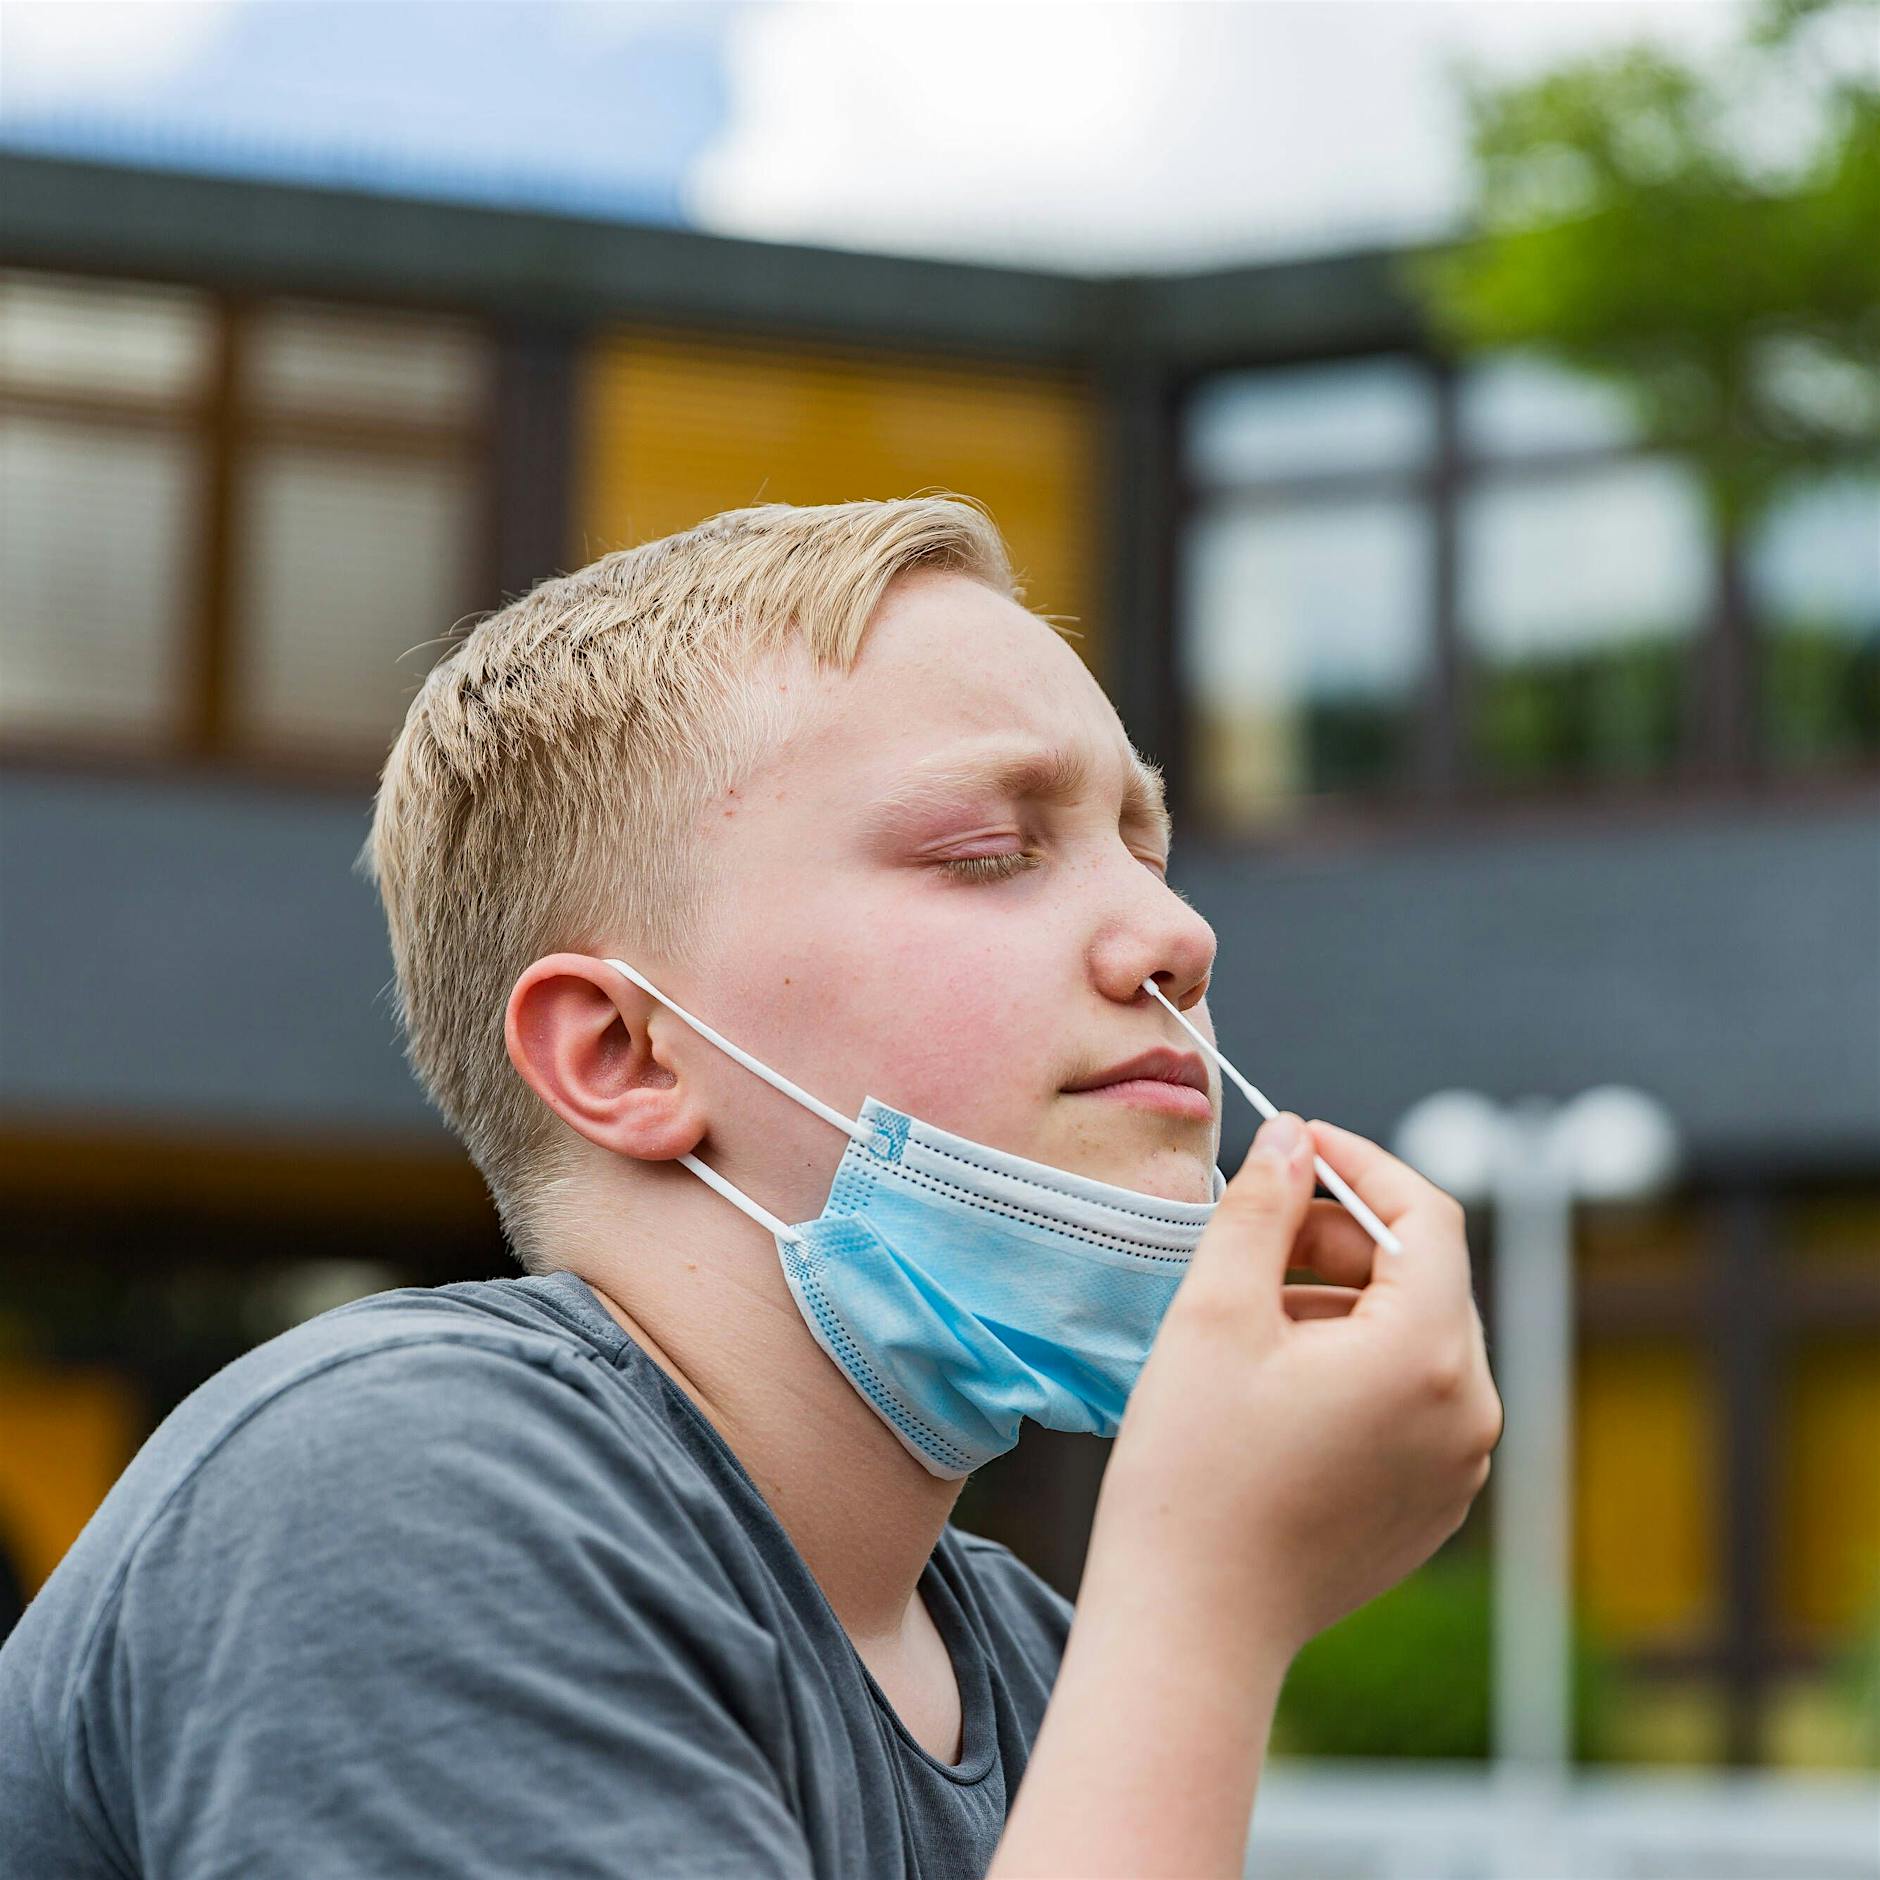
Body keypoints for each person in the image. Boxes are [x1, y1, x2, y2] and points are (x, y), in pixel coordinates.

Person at [0, 495, 1500, 1877]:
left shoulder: (1034, 1667)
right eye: (992, 850)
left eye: (1148, 847)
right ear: (626, 1053)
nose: (1175, 933)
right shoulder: (394, 1484)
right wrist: (1205, 1606)